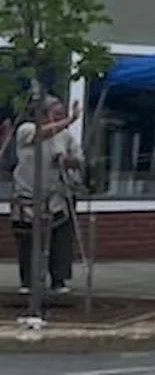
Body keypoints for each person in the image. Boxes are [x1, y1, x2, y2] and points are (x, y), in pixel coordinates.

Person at [9, 95, 81, 296]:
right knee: (28, 241)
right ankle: (29, 282)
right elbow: (40, 135)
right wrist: (71, 120)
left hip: (56, 197)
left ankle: (59, 280)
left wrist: (69, 161)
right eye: (55, 113)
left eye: (61, 114)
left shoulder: (66, 137)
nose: (58, 118)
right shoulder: (26, 129)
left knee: (59, 241)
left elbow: (79, 160)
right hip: (27, 197)